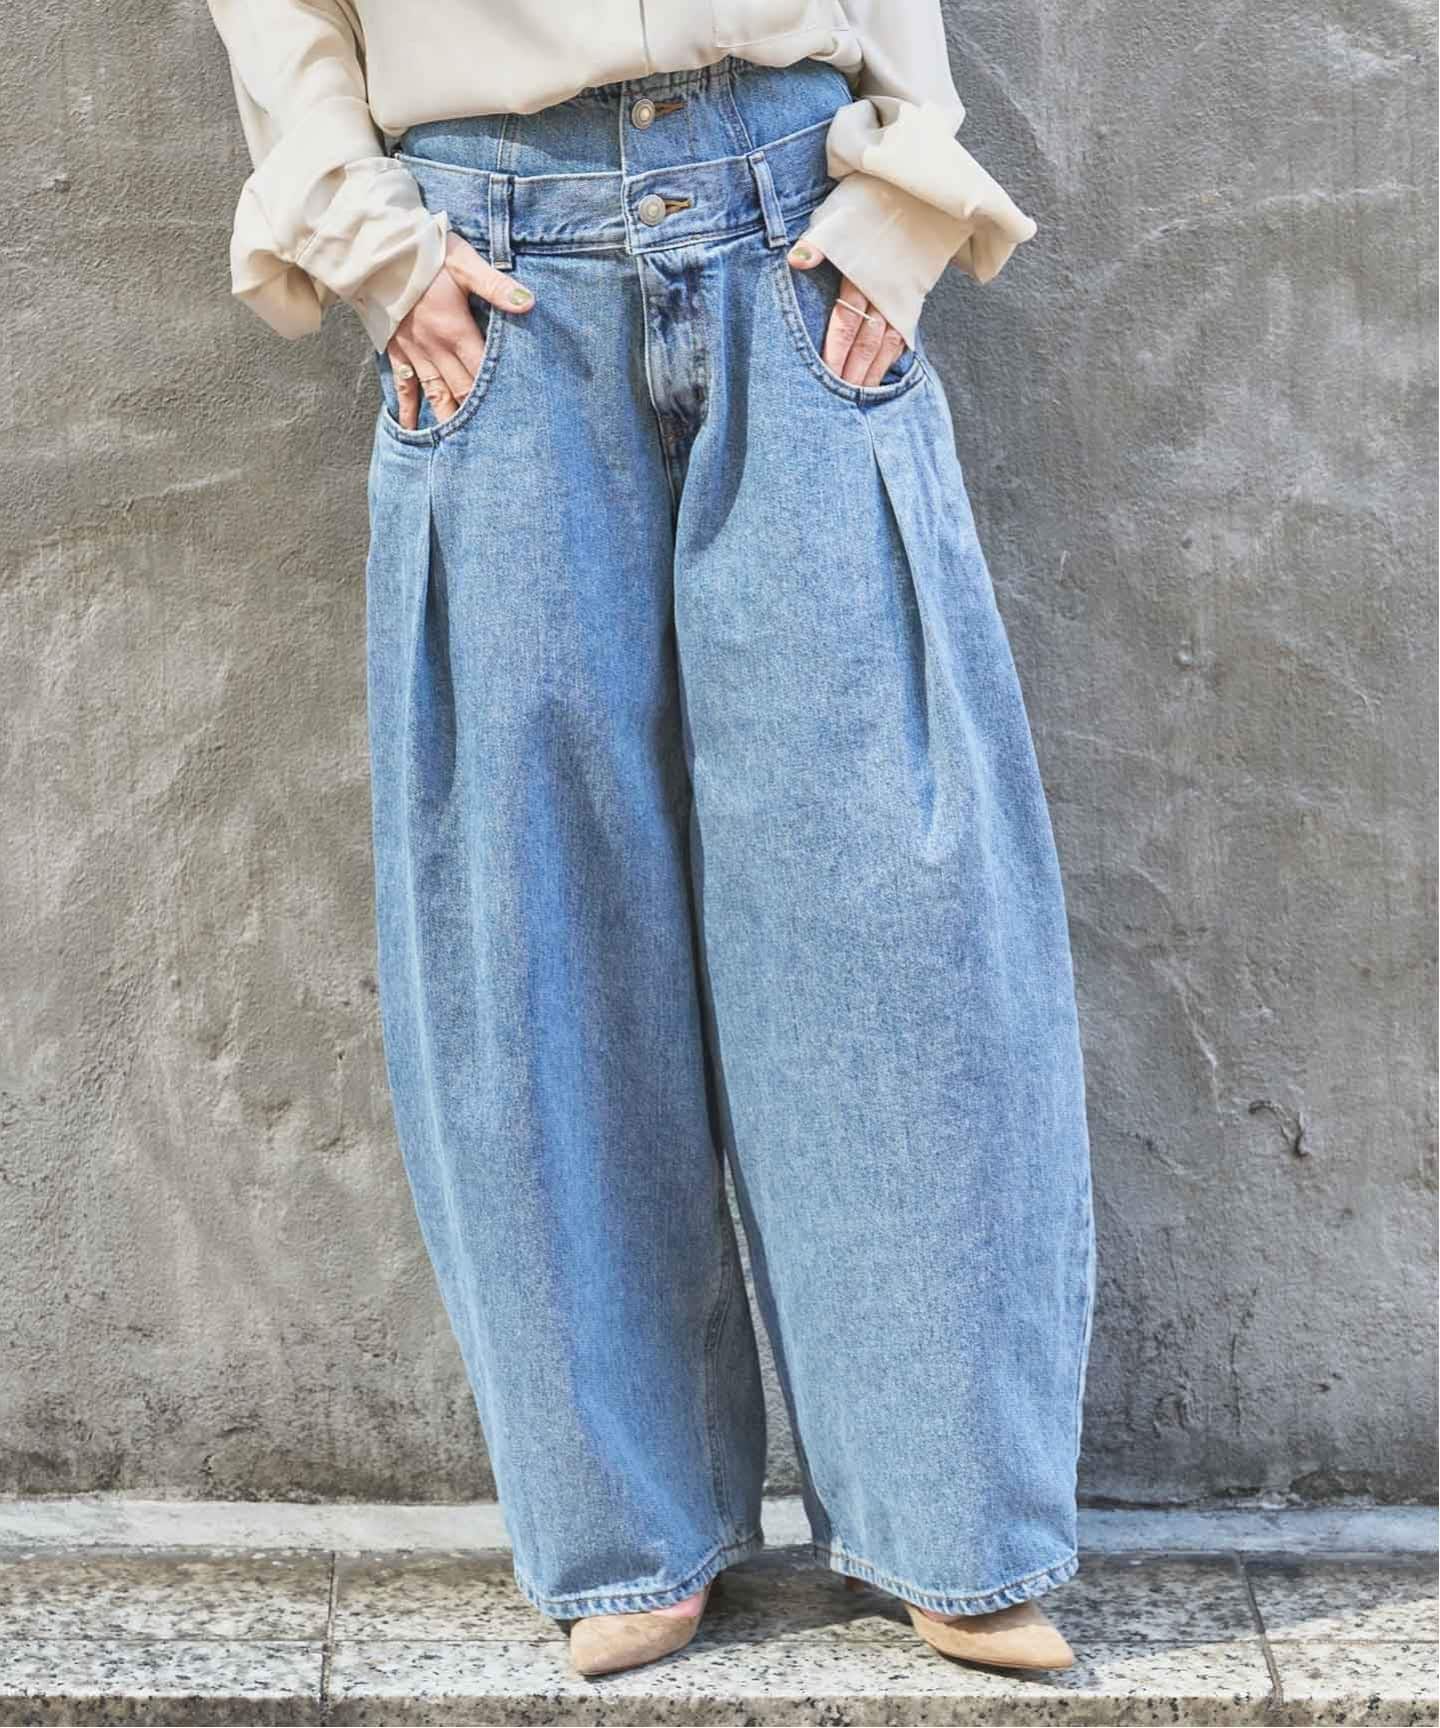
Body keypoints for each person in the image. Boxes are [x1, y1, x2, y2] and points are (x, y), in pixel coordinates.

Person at [206, 0, 1098, 1681]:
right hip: (492, 268)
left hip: (797, 227)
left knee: (892, 912)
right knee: (540, 922)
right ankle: (629, 1523)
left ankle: (952, 1512)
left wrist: (905, 190)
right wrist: (375, 245)